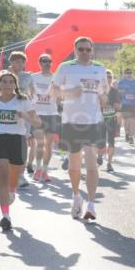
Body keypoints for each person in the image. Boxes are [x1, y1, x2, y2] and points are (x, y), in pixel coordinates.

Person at [51, 37, 108, 221]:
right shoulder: (65, 67)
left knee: (91, 162)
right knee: (74, 165)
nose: (84, 52)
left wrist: (104, 99)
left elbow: (103, 92)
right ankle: (76, 196)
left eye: (87, 49)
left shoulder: (99, 68)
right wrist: (69, 93)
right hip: (71, 122)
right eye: (81, 49)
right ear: (75, 50)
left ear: (92, 51)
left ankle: (91, 204)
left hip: (93, 122)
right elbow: (53, 91)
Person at [0, 70, 41, 231]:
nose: (7, 84)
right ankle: (5, 216)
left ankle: (12, 192)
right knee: (3, 177)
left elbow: (38, 123)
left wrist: (25, 116)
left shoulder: (23, 100)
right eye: (4, 81)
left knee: (13, 179)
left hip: (18, 140)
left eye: (10, 82)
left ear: (15, 85)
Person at [29, 54, 60, 183]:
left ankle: (45, 170)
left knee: (49, 145)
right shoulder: (33, 77)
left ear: (51, 63)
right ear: (39, 63)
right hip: (37, 114)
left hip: (52, 114)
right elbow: (28, 93)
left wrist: (56, 91)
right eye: (44, 61)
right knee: (40, 143)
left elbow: (60, 95)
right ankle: (38, 168)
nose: (47, 63)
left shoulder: (56, 78)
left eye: (49, 61)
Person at [8, 52, 34, 188]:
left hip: (23, 114)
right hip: (6, 113)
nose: (18, 64)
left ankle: (21, 175)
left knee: (22, 144)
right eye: (15, 61)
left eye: (20, 61)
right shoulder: (3, 75)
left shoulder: (28, 76)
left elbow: (29, 91)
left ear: (24, 63)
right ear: (11, 62)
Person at [99, 70, 120, 173]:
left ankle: (109, 163)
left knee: (111, 141)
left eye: (110, 77)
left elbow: (119, 106)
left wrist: (115, 106)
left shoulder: (115, 91)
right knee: (101, 141)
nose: (108, 79)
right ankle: (99, 155)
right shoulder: (98, 90)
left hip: (111, 118)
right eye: (106, 77)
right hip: (99, 118)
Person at [117, 68, 135, 145]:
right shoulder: (121, 82)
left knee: (132, 120)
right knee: (126, 120)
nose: (129, 74)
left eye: (130, 72)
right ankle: (127, 132)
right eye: (127, 73)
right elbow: (118, 91)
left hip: (133, 104)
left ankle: (131, 136)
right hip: (124, 103)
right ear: (124, 74)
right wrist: (124, 90)